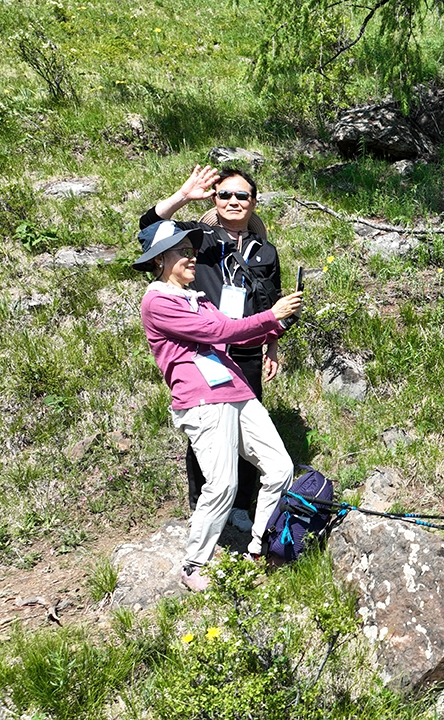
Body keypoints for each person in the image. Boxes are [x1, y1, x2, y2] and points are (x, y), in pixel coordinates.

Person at [133, 220, 303, 590]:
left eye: (192, 250)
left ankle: (259, 547)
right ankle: (195, 564)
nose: (192, 257)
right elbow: (218, 333)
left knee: (279, 468)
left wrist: (275, 327)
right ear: (160, 259)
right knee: (223, 483)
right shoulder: (157, 300)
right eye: (182, 251)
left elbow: (231, 325)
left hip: (236, 389)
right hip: (202, 398)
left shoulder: (196, 297)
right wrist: (271, 314)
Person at [139, 166, 284, 534]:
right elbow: (148, 226)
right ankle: (202, 503)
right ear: (214, 199)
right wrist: (183, 196)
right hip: (206, 349)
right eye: (225, 195)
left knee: (249, 430)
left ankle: (240, 507)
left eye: (242, 196)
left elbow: (272, 300)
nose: (233, 201)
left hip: (248, 348)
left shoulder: (265, 251)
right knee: (209, 432)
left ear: (254, 202)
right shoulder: (198, 239)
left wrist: (273, 345)